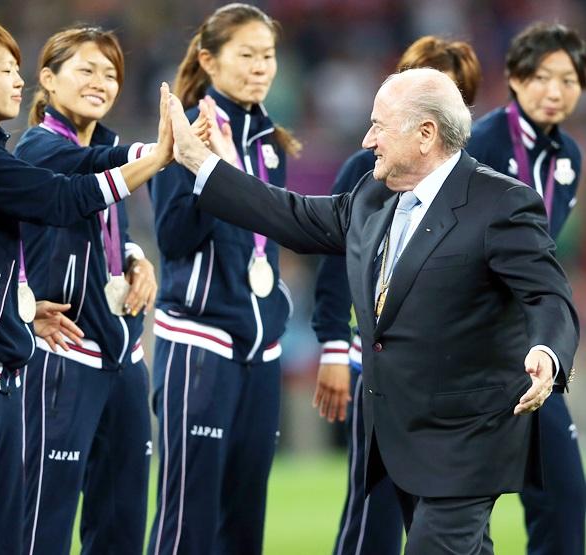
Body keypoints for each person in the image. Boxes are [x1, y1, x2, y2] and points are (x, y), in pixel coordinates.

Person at [166, 66, 579, 555]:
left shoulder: (501, 202)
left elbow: (548, 295)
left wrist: (547, 353)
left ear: (426, 134)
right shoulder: (372, 196)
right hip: (398, 435)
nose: (367, 139)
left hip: (469, 439)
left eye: (379, 125)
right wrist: (200, 163)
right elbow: (290, 214)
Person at [0, 15, 173, 554]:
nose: (19, 80)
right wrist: (157, 156)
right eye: (6, 69)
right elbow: (63, 197)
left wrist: (20, 309)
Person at [13, 27, 185, 555]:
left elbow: (114, 232)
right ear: (48, 79)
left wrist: (136, 260)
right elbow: (89, 176)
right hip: (63, 351)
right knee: (44, 517)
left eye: (110, 73)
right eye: (85, 69)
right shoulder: (38, 148)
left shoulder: (104, 146)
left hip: (123, 353)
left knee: (123, 519)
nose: (100, 81)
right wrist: (157, 152)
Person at [311, 36, 482, 555]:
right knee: (374, 508)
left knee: (460, 514)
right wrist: (335, 347)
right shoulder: (368, 172)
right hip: (384, 371)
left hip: (456, 378)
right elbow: (333, 262)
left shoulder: (481, 186)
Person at [147, 4, 300, 554]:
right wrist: (206, 165)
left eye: (268, 56)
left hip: (261, 349)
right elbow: (173, 239)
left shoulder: (270, 142)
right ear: (209, 61)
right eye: (247, 55)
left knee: (244, 522)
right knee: (188, 519)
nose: (261, 67)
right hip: (200, 344)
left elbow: (271, 238)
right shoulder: (186, 128)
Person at [467, 22, 586, 555]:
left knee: (564, 497)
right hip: (471, 348)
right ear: (514, 78)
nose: (555, 91)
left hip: (530, 350)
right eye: (541, 77)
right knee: (466, 504)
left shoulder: (569, 161)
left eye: (568, 79)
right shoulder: (482, 142)